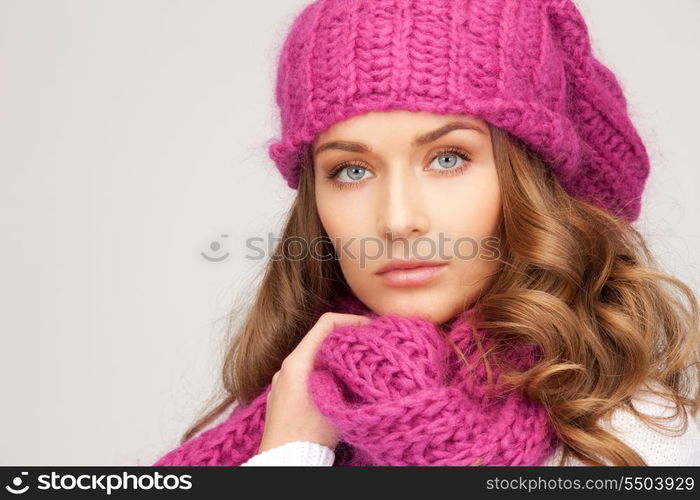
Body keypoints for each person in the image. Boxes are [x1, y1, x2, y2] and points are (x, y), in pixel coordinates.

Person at [153, 0, 700, 466]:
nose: (396, 220)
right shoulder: (293, 404)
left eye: (447, 158)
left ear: (527, 179)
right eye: (351, 170)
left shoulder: (624, 438)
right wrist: (294, 445)